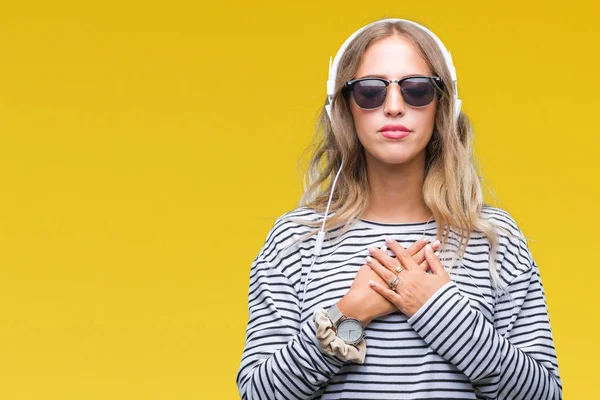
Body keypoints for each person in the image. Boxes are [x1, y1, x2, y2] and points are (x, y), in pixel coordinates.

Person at [236, 17, 562, 400]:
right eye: (371, 91)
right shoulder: (296, 241)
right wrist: (348, 315)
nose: (393, 107)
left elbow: (543, 395)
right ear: (344, 107)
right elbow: (258, 394)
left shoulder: (493, 238)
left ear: (444, 105)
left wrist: (439, 310)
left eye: (417, 89)